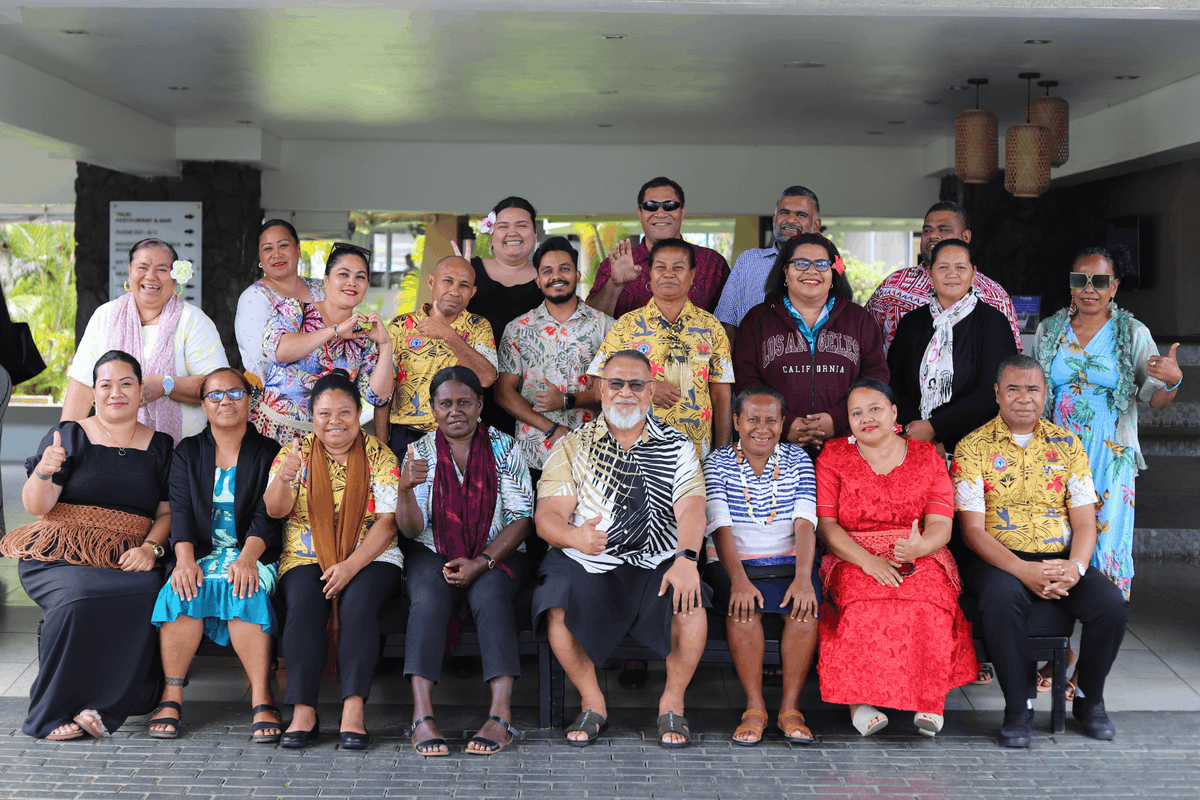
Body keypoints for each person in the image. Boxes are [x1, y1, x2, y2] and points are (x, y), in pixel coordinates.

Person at [533, 350, 711, 748]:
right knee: (556, 605)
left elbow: (692, 507)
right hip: (590, 558)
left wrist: (686, 560)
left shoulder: (678, 445)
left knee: (692, 601)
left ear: (651, 392)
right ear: (600, 389)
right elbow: (547, 516)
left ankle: (672, 703)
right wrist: (575, 537)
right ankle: (593, 701)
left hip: (658, 559)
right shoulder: (571, 446)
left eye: (636, 384)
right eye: (616, 383)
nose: (625, 393)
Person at [954, 356, 1129, 747]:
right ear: (997, 394)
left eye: (1033, 389)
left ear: (1045, 394)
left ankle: (1089, 700)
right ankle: (1019, 708)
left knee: (1111, 605)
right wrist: (1022, 571)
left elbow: (1085, 522)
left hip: (1059, 556)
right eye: (1013, 389)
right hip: (997, 558)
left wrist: (1077, 567)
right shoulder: (972, 447)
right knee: (1002, 600)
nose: (1023, 399)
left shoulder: (1068, 445)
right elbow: (972, 531)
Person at [1032, 246, 1182, 694]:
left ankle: (1084, 672)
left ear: (1114, 287)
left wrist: (1172, 379)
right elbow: (1033, 393)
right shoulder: (1049, 330)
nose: (1090, 290)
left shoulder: (1132, 333)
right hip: (1055, 459)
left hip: (1109, 461)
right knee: (1053, 550)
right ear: (1071, 285)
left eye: (1100, 281)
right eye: (1081, 280)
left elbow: (1155, 397)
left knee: (1103, 558)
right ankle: (1062, 650)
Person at [1, 351, 171, 739]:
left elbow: (166, 514)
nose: (116, 393)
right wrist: (45, 469)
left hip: (125, 554)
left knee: (147, 590)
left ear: (141, 390)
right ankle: (48, 713)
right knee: (78, 594)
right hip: (60, 552)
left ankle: (103, 706)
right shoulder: (70, 434)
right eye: (106, 385)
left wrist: (150, 549)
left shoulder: (160, 445)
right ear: (94, 391)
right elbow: (36, 505)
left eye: (126, 384)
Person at [815, 377, 976, 737]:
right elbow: (826, 526)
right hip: (852, 554)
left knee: (926, 602)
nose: (866, 418)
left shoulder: (926, 456)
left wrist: (921, 547)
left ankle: (929, 700)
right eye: (856, 413)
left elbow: (941, 523)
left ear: (894, 412)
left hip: (919, 551)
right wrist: (867, 561)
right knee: (862, 603)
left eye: (875, 409)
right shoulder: (834, 455)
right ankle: (859, 701)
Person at [395, 367, 535, 756]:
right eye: (445, 404)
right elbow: (409, 530)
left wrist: (483, 561)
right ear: (433, 408)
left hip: (498, 550)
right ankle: (422, 717)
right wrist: (405, 490)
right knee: (426, 595)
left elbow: (523, 518)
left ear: (479, 405)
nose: (455, 411)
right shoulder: (418, 452)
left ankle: (500, 716)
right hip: (434, 550)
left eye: (464, 402)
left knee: (491, 595)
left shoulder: (506, 447)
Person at [265, 369, 402, 751]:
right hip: (305, 555)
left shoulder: (379, 454)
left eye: (344, 412)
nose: (334, 422)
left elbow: (388, 524)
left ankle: (353, 711)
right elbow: (276, 511)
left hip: (372, 555)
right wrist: (283, 480)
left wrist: (350, 566)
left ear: (358, 413)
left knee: (359, 607)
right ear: (312, 418)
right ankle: (304, 712)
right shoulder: (295, 453)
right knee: (305, 605)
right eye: (324, 414)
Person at [147, 367, 283, 741]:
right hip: (201, 551)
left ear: (250, 401)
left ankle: (262, 696)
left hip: (255, 552)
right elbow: (181, 512)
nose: (226, 401)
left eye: (235, 393)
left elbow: (267, 515)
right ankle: (171, 695)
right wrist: (186, 561)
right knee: (181, 589)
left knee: (244, 588)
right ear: (203, 404)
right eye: (215, 395)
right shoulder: (187, 452)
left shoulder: (269, 451)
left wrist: (247, 559)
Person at [702, 386, 820, 746]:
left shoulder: (798, 460)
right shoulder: (716, 461)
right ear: (736, 421)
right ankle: (754, 708)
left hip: (789, 559)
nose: (762, 428)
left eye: (772, 420)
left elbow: (804, 522)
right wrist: (737, 580)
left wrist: (803, 578)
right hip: (732, 560)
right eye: (752, 419)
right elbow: (720, 527)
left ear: (783, 423)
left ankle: (790, 708)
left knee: (805, 609)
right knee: (743, 611)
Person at [62, 238, 228, 444]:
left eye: (161, 269)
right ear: (130, 271)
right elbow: (83, 384)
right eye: (142, 267)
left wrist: (166, 385)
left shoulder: (193, 321)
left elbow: (220, 387)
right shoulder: (104, 316)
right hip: (109, 449)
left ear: (175, 277)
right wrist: (63, 442)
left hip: (181, 454)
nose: (150, 276)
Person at [733, 233, 888, 451]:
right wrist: (785, 422)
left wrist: (837, 419)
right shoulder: (756, 320)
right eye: (801, 263)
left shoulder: (860, 320)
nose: (811, 271)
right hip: (774, 448)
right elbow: (747, 382)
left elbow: (875, 379)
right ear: (785, 271)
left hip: (848, 446)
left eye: (822, 264)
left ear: (834, 272)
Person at [588, 238, 733, 459]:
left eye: (678, 267)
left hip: (696, 455)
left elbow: (721, 395)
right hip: (635, 454)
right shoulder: (626, 325)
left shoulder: (711, 327)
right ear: (650, 274)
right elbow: (599, 386)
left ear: (692, 275)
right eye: (660, 267)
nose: (668, 274)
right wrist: (646, 389)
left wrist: (722, 454)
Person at [888, 239, 1018, 456]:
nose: (952, 274)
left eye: (960, 267)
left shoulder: (993, 323)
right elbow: (894, 382)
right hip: (914, 444)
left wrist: (935, 429)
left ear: (974, 273)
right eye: (943, 267)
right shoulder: (911, 322)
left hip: (976, 448)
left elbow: (992, 393)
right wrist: (917, 430)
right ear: (929, 273)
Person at [496, 236, 613, 475]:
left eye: (564, 269)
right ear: (538, 280)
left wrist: (567, 400)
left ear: (577, 275)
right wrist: (551, 428)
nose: (556, 276)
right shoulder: (517, 329)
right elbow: (503, 393)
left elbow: (616, 389)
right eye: (547, 271)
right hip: (535, 456)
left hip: (593, 452)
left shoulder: (606, 327)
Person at [255, 242, 393, 443]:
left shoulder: (362, 338)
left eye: (360, 277)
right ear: (326, 279)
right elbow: (278, 351)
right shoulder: (295, 310)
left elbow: (377, 396)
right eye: (343, 274)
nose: (352, 282)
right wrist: (334, 332)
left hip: (331, 445)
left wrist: (385, 345)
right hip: (273, 437)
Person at [375, 256, 498, 460]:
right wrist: (381, 449)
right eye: (448, 281)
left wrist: (447, 333)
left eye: (464, 285)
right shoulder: (399, 327)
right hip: (406, 438)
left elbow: (486, 378)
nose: (455, 291)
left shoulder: (479, 326)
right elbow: (383, 393)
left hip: (460, 439)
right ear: (431, 281)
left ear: (473, 292)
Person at [865, 202, 1022, 352]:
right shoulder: (893, 285)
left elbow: (1009, 358)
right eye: (927, 230)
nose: (933, 235)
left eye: (943, 230)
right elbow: (862, 339)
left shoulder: (995, 296)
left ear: (966, 237)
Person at [586, 176, 730, 319]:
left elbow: (729, 325)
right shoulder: (614, 265)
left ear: (682, 211)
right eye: (651, 206)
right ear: (640, 213)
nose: (660, 213)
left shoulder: (712, 263)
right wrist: (615, 285)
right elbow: (590, 324)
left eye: (670, 205)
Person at [467, 196, 546, 436]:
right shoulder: (468, 272)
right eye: (503, 226)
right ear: (492, 235)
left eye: (521, 225)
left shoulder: (549, 279)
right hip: (470, 398)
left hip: (532, 404)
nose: (512, 232)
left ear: (534, 233)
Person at [715, 185, 822, 343]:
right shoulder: (748, 261)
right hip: (751, 364)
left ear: (816, 225)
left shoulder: (826, 267)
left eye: (801, 214)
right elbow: (726, 325)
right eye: (784, 213)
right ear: (774, 219)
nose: (790, 220)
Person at [235, 219, 325, 383]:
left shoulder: (323, 289)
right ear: (260, 257)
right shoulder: (254, 298)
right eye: (268, 248)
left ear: (298, 249)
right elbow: (265, 358)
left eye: (283, 245)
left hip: (332, 393)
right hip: (276, 395)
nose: (277, 254)